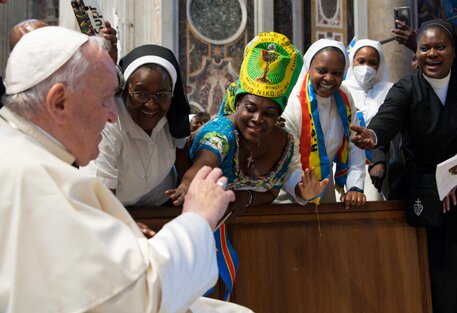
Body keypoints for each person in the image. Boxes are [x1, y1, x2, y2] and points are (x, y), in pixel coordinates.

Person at [0, 25, 252, 313]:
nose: (112, 115)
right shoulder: (34, 180)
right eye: (105, 99)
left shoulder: (24, 153)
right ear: (59, 102)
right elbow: (133, 298)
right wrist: (198, 217)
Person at [168, 32, 328, 300]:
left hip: (248, 241)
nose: (257, 119)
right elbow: (206, 161)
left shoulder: (284, 143)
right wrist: (187, 184)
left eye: (268, 113)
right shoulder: (221, 132)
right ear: (236, 103)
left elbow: (273, 191)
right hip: (192, 239)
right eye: (250, 108)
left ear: (278, 116)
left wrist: (300, 193)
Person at [351, 19, 457, 313]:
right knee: (428, 269)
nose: (432, 54)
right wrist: (373, 135)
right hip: (423, 190)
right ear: (415, 54)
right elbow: (388, 118)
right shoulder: (406, 89)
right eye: (425, 48)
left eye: (440, 47)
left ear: (454, 52)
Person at [82, 45, 191, 209]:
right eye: (141, 93)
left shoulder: (172, 117)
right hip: (115, 211)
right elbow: (100, 200)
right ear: (125, 90)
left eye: (162, 95)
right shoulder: (108, 124)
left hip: (162, 210)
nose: (151, 104)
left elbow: (186, 168)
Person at [282, 39, 366, 208]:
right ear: (309, 68)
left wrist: (355, 186)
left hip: (324, 182)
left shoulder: (344, 96)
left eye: (336, 73)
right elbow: (288, 159)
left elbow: (354, 143)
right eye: (322, 71)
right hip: (289, 187)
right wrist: (303, 188)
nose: (328, 78)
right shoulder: (293, 101)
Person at [342, 39, 394, 200]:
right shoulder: (341, 89)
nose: (366, 67)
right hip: (343, 164)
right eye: (361, 61)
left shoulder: (390, 89)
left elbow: (391, 127)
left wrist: (379, 160)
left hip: (377, 165)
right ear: (352, 62)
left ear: (379, 65)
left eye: (372, 63)